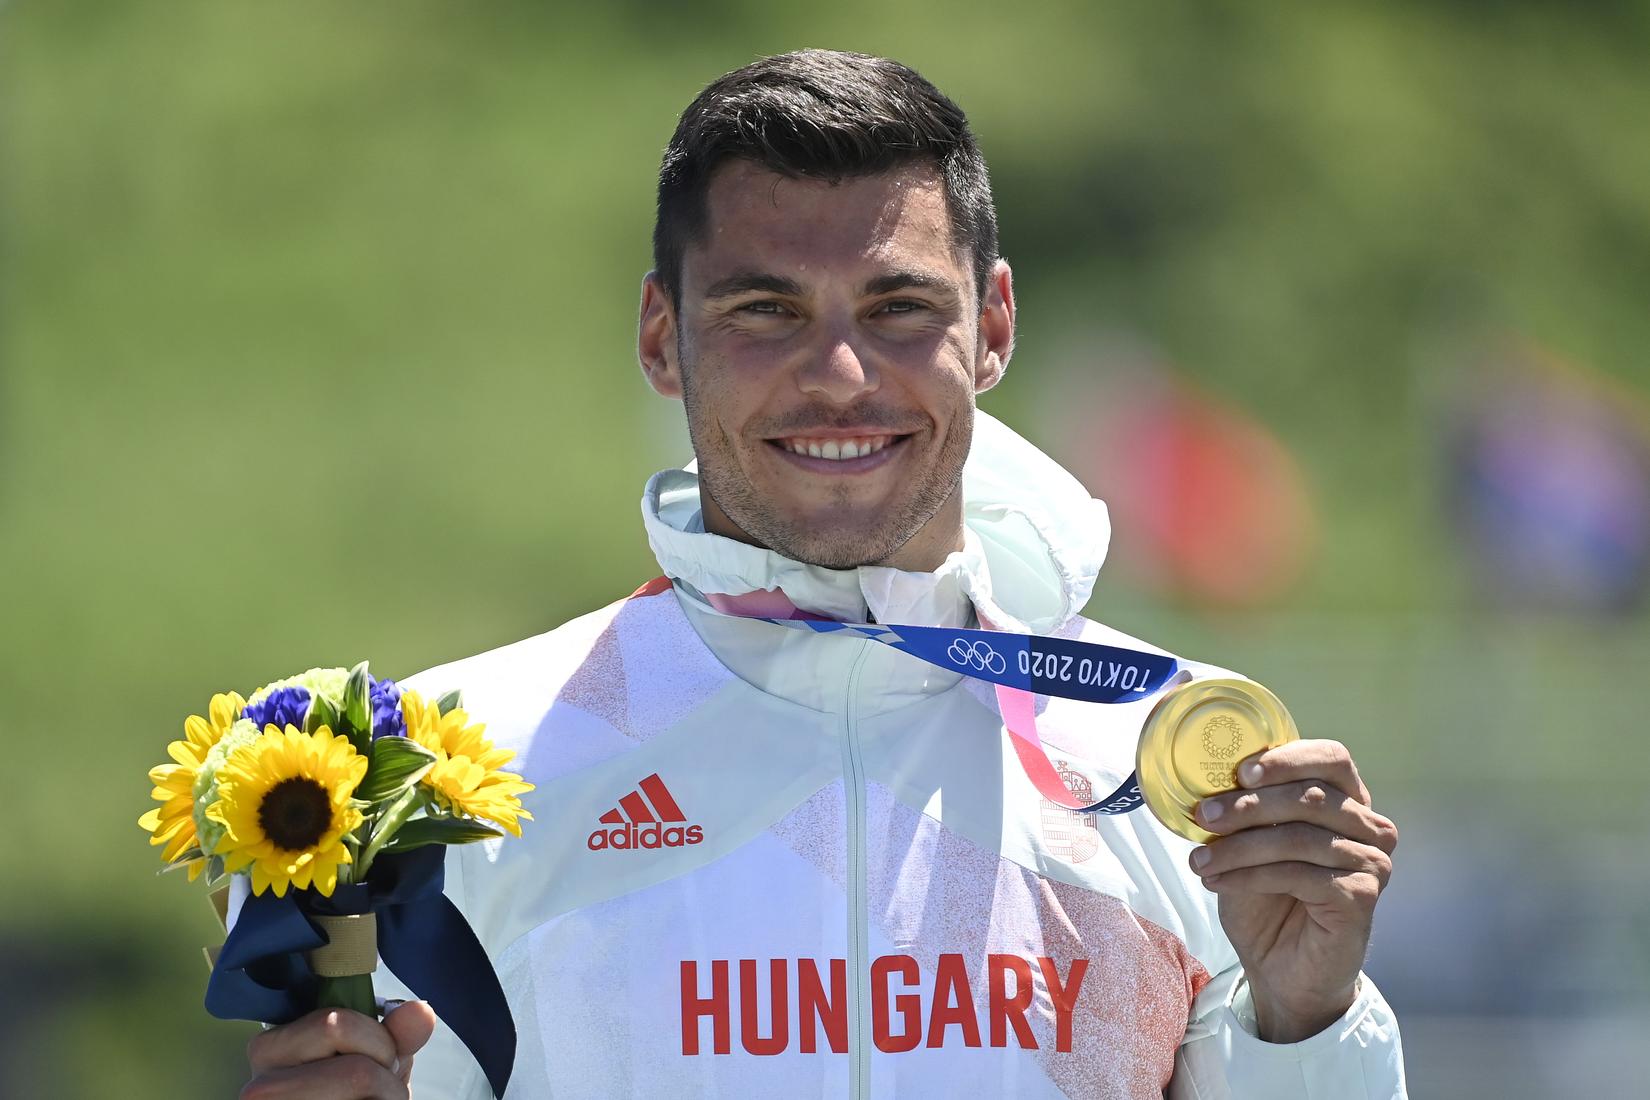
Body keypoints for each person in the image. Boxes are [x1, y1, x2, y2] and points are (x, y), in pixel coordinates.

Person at [239, 49, 1405, 1099]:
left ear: (994, 326)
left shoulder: (1172, 771)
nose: (840, 375)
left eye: (900, 307)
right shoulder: (446, 776)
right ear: (661, 335)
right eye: (766, 309)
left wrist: (1310, 1020)